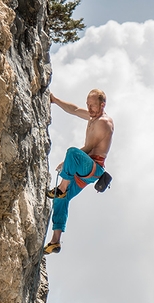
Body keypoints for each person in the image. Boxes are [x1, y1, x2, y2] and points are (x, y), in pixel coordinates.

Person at [44, 88, 114, 254]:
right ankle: (55, 241)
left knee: (72, 153)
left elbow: (89, 148)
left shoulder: (104, 122)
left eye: (93, 106)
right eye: (88, 105)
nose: (89, 109)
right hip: (85, 171)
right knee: (62, 199)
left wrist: (66, 162)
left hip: (94, 168)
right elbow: (74, 110)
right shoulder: (92, 117)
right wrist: (55, 100)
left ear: (102, 105)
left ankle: (61, 187)